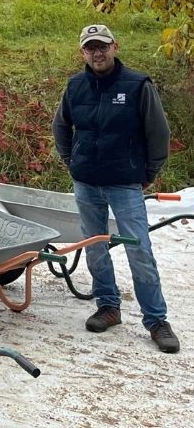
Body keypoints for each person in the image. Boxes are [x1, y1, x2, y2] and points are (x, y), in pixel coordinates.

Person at [52, 24, 179, 353]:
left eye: (103, 46)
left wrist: (148, 172)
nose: (97, 52)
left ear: (114, 47)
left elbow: (158, 133)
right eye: (90, 48)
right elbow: (61, 126)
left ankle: (155, 320)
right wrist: (72, 160)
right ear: (83, 52)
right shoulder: (76, 86)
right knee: (95, 248)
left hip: (124, 184)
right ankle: (108, 306)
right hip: (86, 184)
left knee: (139, 250)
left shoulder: (137, 85)